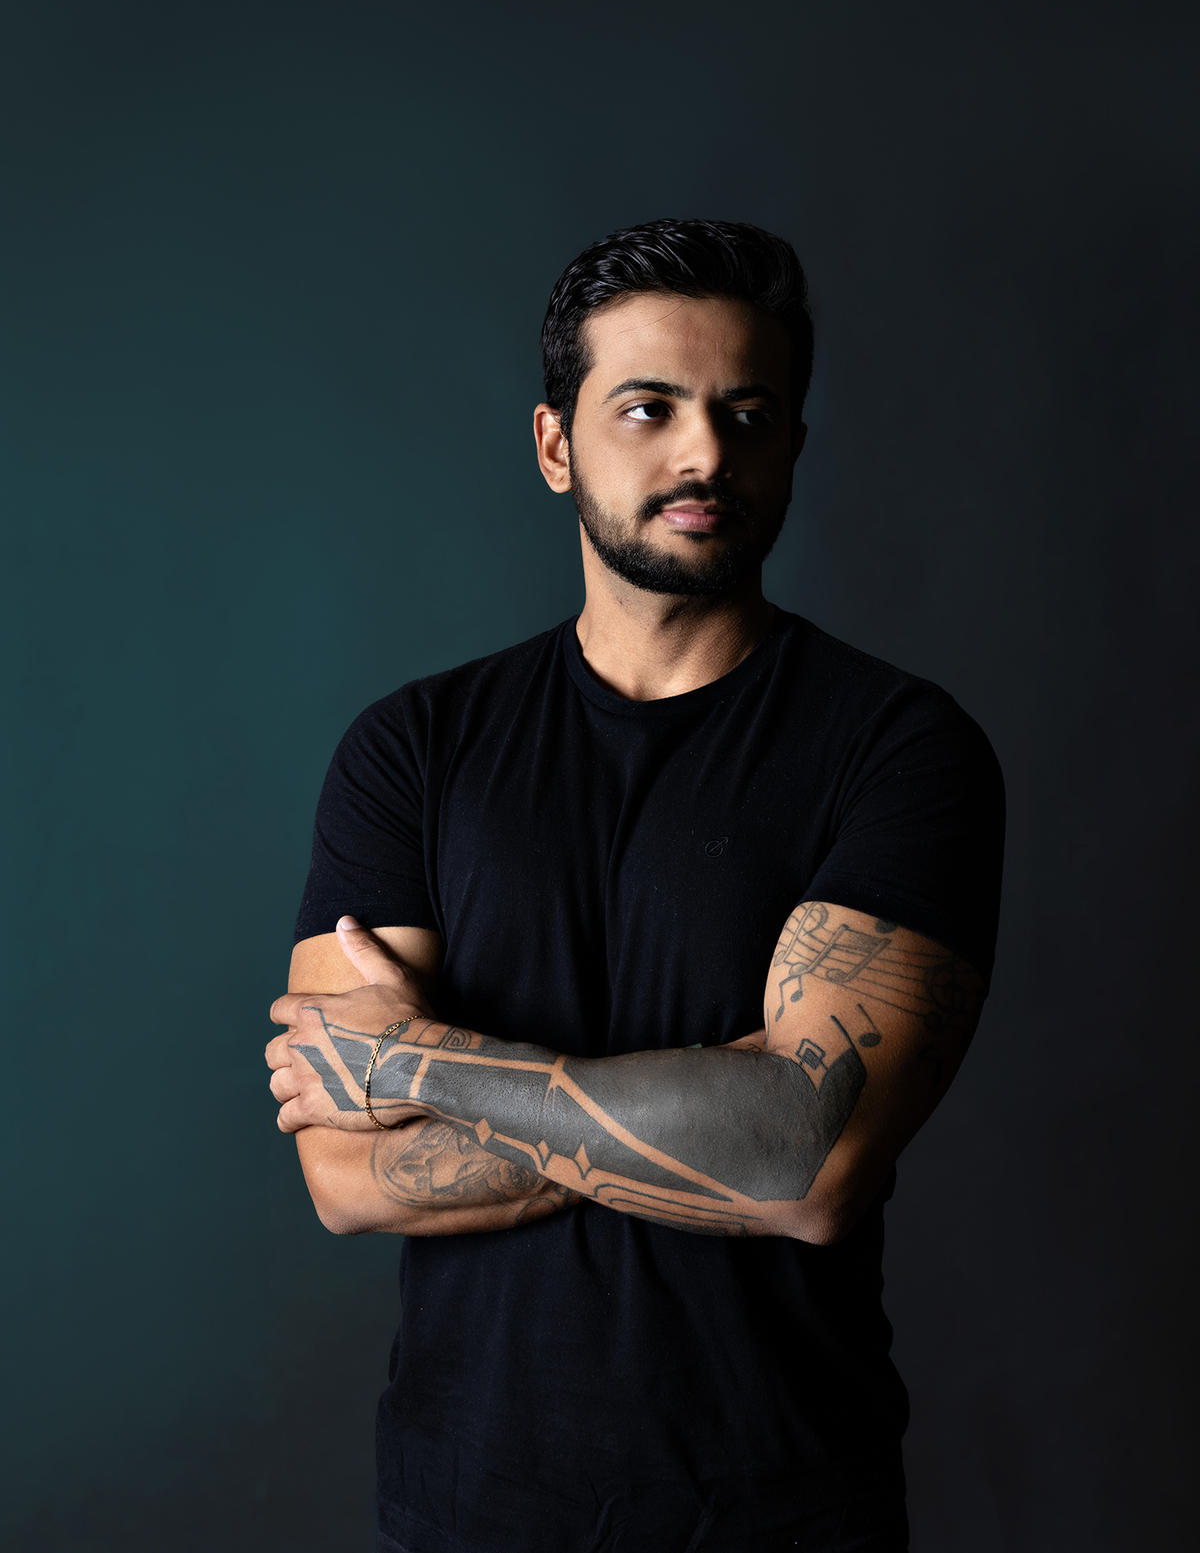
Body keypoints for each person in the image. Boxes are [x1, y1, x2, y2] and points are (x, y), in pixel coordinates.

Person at [265, 218, 1004, 1553]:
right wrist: (712, 1113)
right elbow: (344, 1174)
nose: (704, 452)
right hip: (464, 1509)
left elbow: (808, 1159)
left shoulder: (900, 747)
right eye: (649, 407)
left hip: (781, 1514)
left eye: (746, 413)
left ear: (792, 444)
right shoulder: (413, 748)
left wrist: (421, 1065)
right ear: (557, 445)